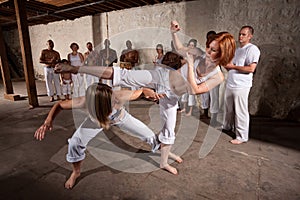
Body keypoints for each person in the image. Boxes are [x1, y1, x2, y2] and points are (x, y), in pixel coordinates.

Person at [34, 83, 182, 189]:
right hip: (97, 121)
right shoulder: (84, 102)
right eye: (112, 101)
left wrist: (150, 93)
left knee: (148, 134)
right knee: (75, 143)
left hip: (121, 118)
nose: (116, 100)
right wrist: (48, 120)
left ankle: (164, 151)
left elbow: (142, 91)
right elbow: (59, 104)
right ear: (99, 104)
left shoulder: (119, 95)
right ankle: (76, 172)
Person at [222, 26, 261, 144]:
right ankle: (227, 126)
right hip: (231, 83)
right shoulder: (237, 50)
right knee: (228, 109)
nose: (240, 37)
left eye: (244, 34)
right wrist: (226, 65)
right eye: (240, 34)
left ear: (250, 36)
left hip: (242, 85)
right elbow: (232, 68)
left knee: (240, 111)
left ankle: (242, 136)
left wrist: (232, 66)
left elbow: (251, 68)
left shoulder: (252, 49)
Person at [199, 31, 221, 126]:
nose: (210, 39)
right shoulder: (204, 51)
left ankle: (214, 118)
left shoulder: (218, 50)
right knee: (204, 95)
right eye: (208, 38)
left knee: (214, 96)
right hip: (205, 75)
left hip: (214, 75)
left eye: (212, 37)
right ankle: (205, 113)